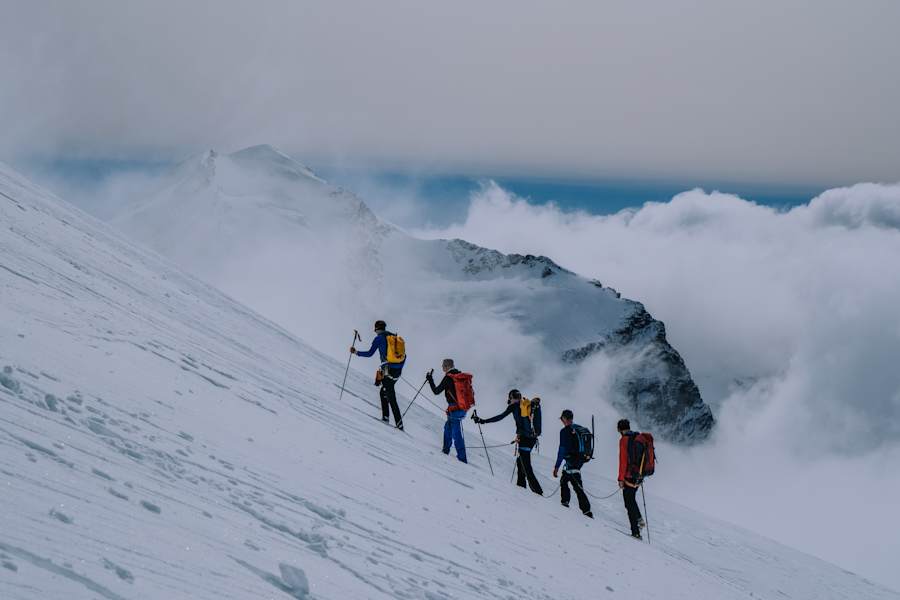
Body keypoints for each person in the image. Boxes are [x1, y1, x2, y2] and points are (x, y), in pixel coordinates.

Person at [473, 389, 543, 495]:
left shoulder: (514, 406)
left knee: (526, 467)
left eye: (510, 398)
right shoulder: (526, 405)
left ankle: (538, 492)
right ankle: (521, 488)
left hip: (524, 439)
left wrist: (483, 421)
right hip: (532, 439)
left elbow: (500, 417)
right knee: (520, 463)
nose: (509, 400)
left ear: (512, 398)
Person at [351, 320, 405, 430]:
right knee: (384, 391)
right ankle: (387, 417)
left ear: (376, 329)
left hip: (387, 369)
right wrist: (398, 368)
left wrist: (356, 352)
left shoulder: (379, 338)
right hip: (398, 370)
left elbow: (370, 353)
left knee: (390, 395)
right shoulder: (394, 337)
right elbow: (404, 356)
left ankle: (398, 423)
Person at [426, 359, 468, 463]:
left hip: (454, 408)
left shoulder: (448, 377)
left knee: (456, 433)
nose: (442, 368)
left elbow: (436, 391)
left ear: (447, 366)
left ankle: (462, 458)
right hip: (462, 407)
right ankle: (445, 450)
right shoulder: (460, 375)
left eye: (443, 366)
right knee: (448, 427)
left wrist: (430, 379)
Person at [553, 409, 593, 518]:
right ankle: (566, 502)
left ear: (564, 419)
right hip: (579, 461)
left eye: (562, 419)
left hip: (571, 461)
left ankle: (586, 511)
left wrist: (556, 466)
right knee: (565, 480)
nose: (561, 421)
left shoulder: (564, 431)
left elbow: (562, 450)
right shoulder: (578, 428)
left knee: (576, 486)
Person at [617, 418, 645, 539]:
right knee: (631, 500)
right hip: (639, 475)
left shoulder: (624, 440)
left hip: (629, 476)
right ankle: (639, 520)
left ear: (619, 429)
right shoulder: (638, 438)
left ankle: (636, 532)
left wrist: (620, 479)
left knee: (628, 503)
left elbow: (623, 461)